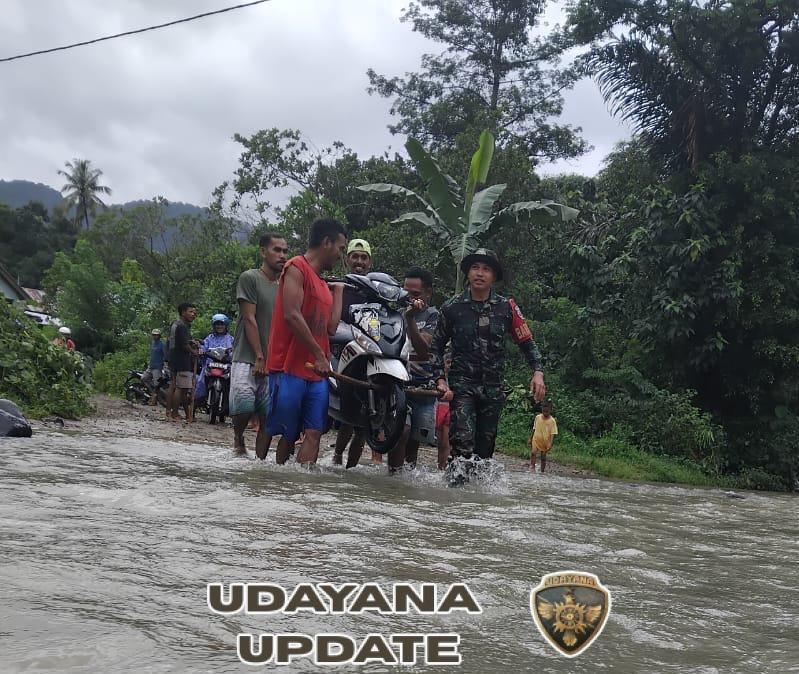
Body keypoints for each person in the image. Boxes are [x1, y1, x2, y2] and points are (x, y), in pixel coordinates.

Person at [432, 249, 546, 472]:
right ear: (468, 273)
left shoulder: (506, 309)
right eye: (475, 268)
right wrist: (440, 379)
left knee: (484, 455)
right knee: (462, 447)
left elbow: (527, 342)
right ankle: (454, 499)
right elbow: (435, 347)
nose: (480, 273)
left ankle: (478, 504)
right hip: (462, 387)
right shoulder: (452, 308)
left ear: (494, 276)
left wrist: (538, 371)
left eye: (486, 269)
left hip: (493, 390)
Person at [267, 218, 346, 465]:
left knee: (314, 432)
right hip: (289, 367)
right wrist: (320, 355)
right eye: (341, 249)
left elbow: (331, 327)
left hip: (316, 372)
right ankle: (277, 486)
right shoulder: (295, 268)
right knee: (288, 434)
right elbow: (292, 314)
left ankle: (301, 490)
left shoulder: (323, 284)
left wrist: (339, 293)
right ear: (326, 243)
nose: (341, 255)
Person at [230, 232, 288, 458]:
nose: (282, 255)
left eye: (285, 251)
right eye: (277, 250)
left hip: (275, 360)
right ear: (263, 251)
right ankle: (238, 438)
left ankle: (260, 461)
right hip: (247, 355)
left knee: (267, 414)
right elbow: (249, 318)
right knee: (244, 405)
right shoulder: (250, 278)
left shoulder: (286, 285)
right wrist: (259, 356)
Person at [387, 267, 440, 473]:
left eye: (415, 294)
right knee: (401, 432)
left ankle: (404, 483)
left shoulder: (434, 316)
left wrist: (410, 319)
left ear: (428, 293)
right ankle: (394, 480)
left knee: (415, 440)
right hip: (399, 385)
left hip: (425, 388)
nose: (410, 298)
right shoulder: (395, 315)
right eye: (406, 292)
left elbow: (424, 349)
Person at [333, 237, 374, 468]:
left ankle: (351, 468)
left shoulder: (376, 290)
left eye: (364, 257)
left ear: (370, 261)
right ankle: (338, 456)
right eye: (355, 256)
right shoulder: (340, 286)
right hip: (342, 354)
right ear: (347, 259)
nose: (359, 261)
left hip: (370, 357)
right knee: (348, 414)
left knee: (363, 423)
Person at [166, 303, 199, 422]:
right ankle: (175, 414)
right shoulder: (183, 326)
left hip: (173, 358)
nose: (193, 315)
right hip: (182, 360)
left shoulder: (175, 324)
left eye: (195, 313)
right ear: (183, 312)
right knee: (181, 388)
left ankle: (169, 412)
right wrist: (194, 352)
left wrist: (191, 342)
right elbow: (184, 345)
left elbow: (177, 341)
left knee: (173, 385)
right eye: (191, 312)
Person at [194, 314, 235, 403]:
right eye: (217, 324)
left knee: (233, 382)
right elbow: (204, 346)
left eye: (221, 324)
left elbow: (234, 350)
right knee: (201, 381)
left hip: (225, 365)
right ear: (214, 325)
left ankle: (229, 403)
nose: (219, 326)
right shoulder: (209, 338)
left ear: (226, 325)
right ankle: (198, 401)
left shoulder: (230, 339)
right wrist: (201, 349)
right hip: (210, 363)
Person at [434, 352, 454, 470]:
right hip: (439, 408)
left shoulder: (458, 379)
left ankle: (443, 466)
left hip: (449, 409)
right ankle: (439, 466)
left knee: (446, 442)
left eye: (451, 363)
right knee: (440, 442)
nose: (449, 365)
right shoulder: (439, 379)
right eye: (447, 363)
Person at [530, 400, 558, 474]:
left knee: (543, 457)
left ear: (550, 410)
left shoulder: (552, 421)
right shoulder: (538, 417)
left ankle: (542, 471)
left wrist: (550, 444)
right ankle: (532, 467)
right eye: (544, 411)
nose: (545, 413)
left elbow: (553, 433)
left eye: (547, 411)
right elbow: (534, 428)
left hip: (545, 442)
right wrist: (530, 438)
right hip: (536, 439)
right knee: (533, 452)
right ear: (541, 409)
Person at [142, 329, 165, 406]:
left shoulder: (162, 344)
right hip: (151, 366)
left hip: (157, 367)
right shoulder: (152, 343)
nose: (155, 336)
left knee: (157, 384)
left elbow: (165, 356)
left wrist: (164, 365)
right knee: (144, 378)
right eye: (154, 335)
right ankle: (152, 394)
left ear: (159, 336)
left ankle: (156, 399)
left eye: (156, 335)